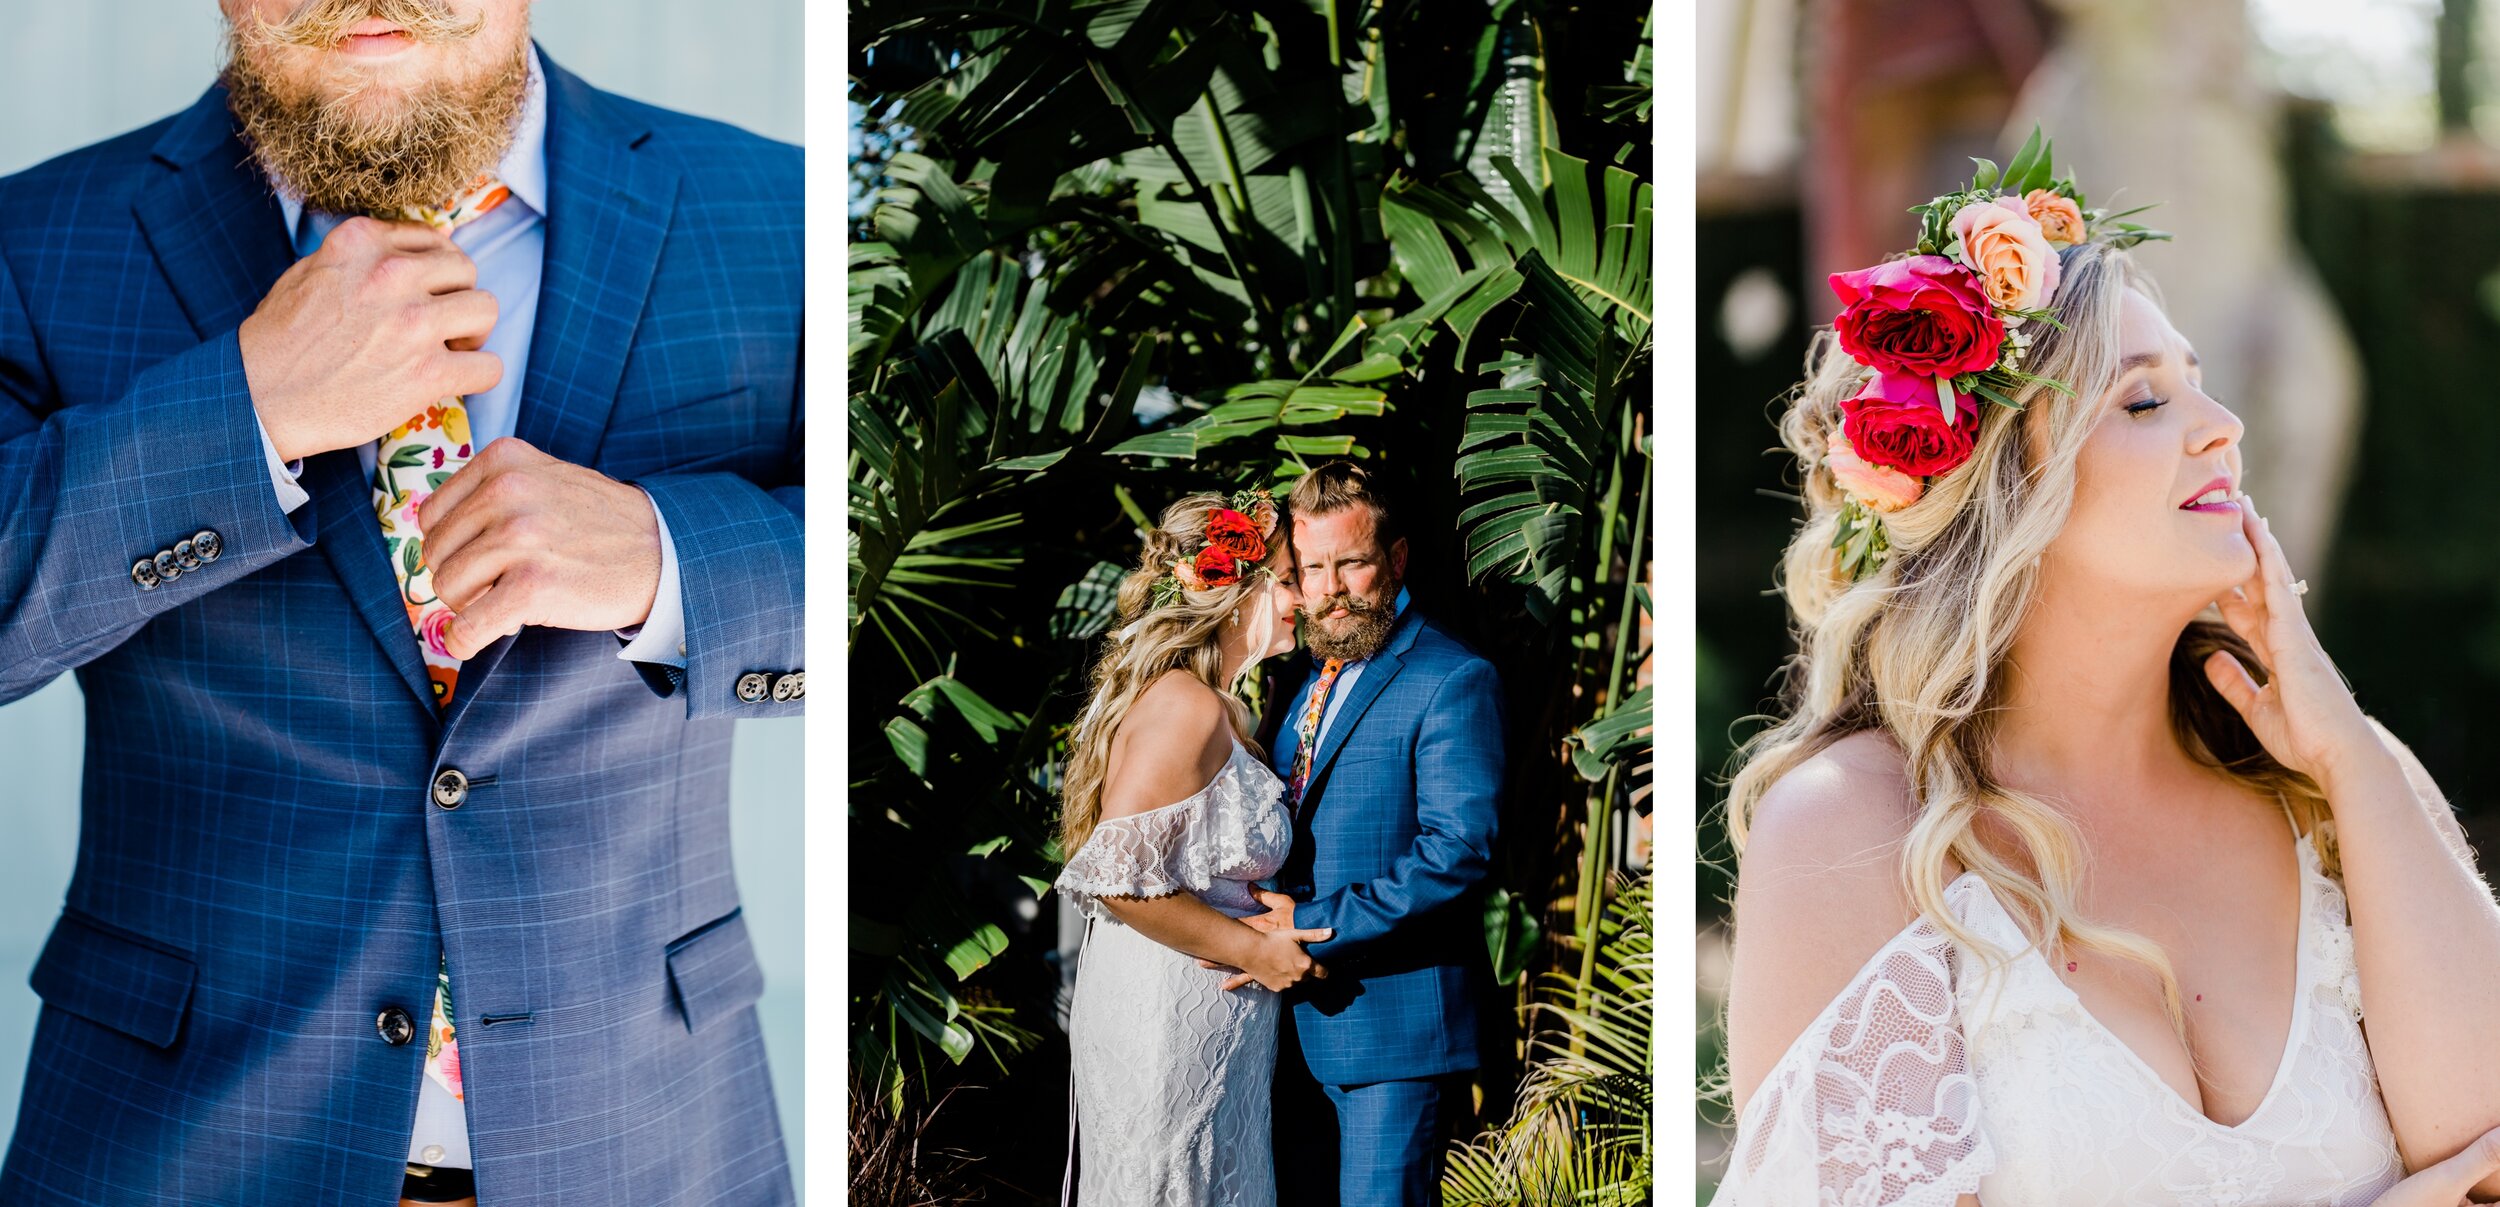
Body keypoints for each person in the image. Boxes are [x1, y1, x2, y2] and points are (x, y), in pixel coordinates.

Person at [0, 1, 802, 1203]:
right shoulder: (34, 237)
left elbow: (881, 593)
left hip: (651, 1137)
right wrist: (246, 410)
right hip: (176, 1145)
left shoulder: (774, 215)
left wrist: (667, 559)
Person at [1711, 146, 2500, 1204]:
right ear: (2001, 490)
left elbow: (2482, 1142)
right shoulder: (1856, 832)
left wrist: (2351, 755)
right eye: (2142, 403)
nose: (2221, 429)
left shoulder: (2334, 786)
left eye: (2197, 386)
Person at [1052, 489, 1331, 1207]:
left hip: (1204, 1030)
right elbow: (1116, 875)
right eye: (1293, 576)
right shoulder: (1187, 703)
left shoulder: (1221, 704)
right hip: (1164, 1025)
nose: (1306, 596)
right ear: (1246, 589)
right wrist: (1254, 950)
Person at [1244, 461, 1505, 1207]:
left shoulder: (1452, 678)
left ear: (1394, 560)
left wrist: (1315, 924)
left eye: (1351, 563)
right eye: (1312, 568)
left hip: (1395, 1030)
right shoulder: (1299, 684)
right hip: (1289, 1027)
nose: (1329, 588)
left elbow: (1459, 851)